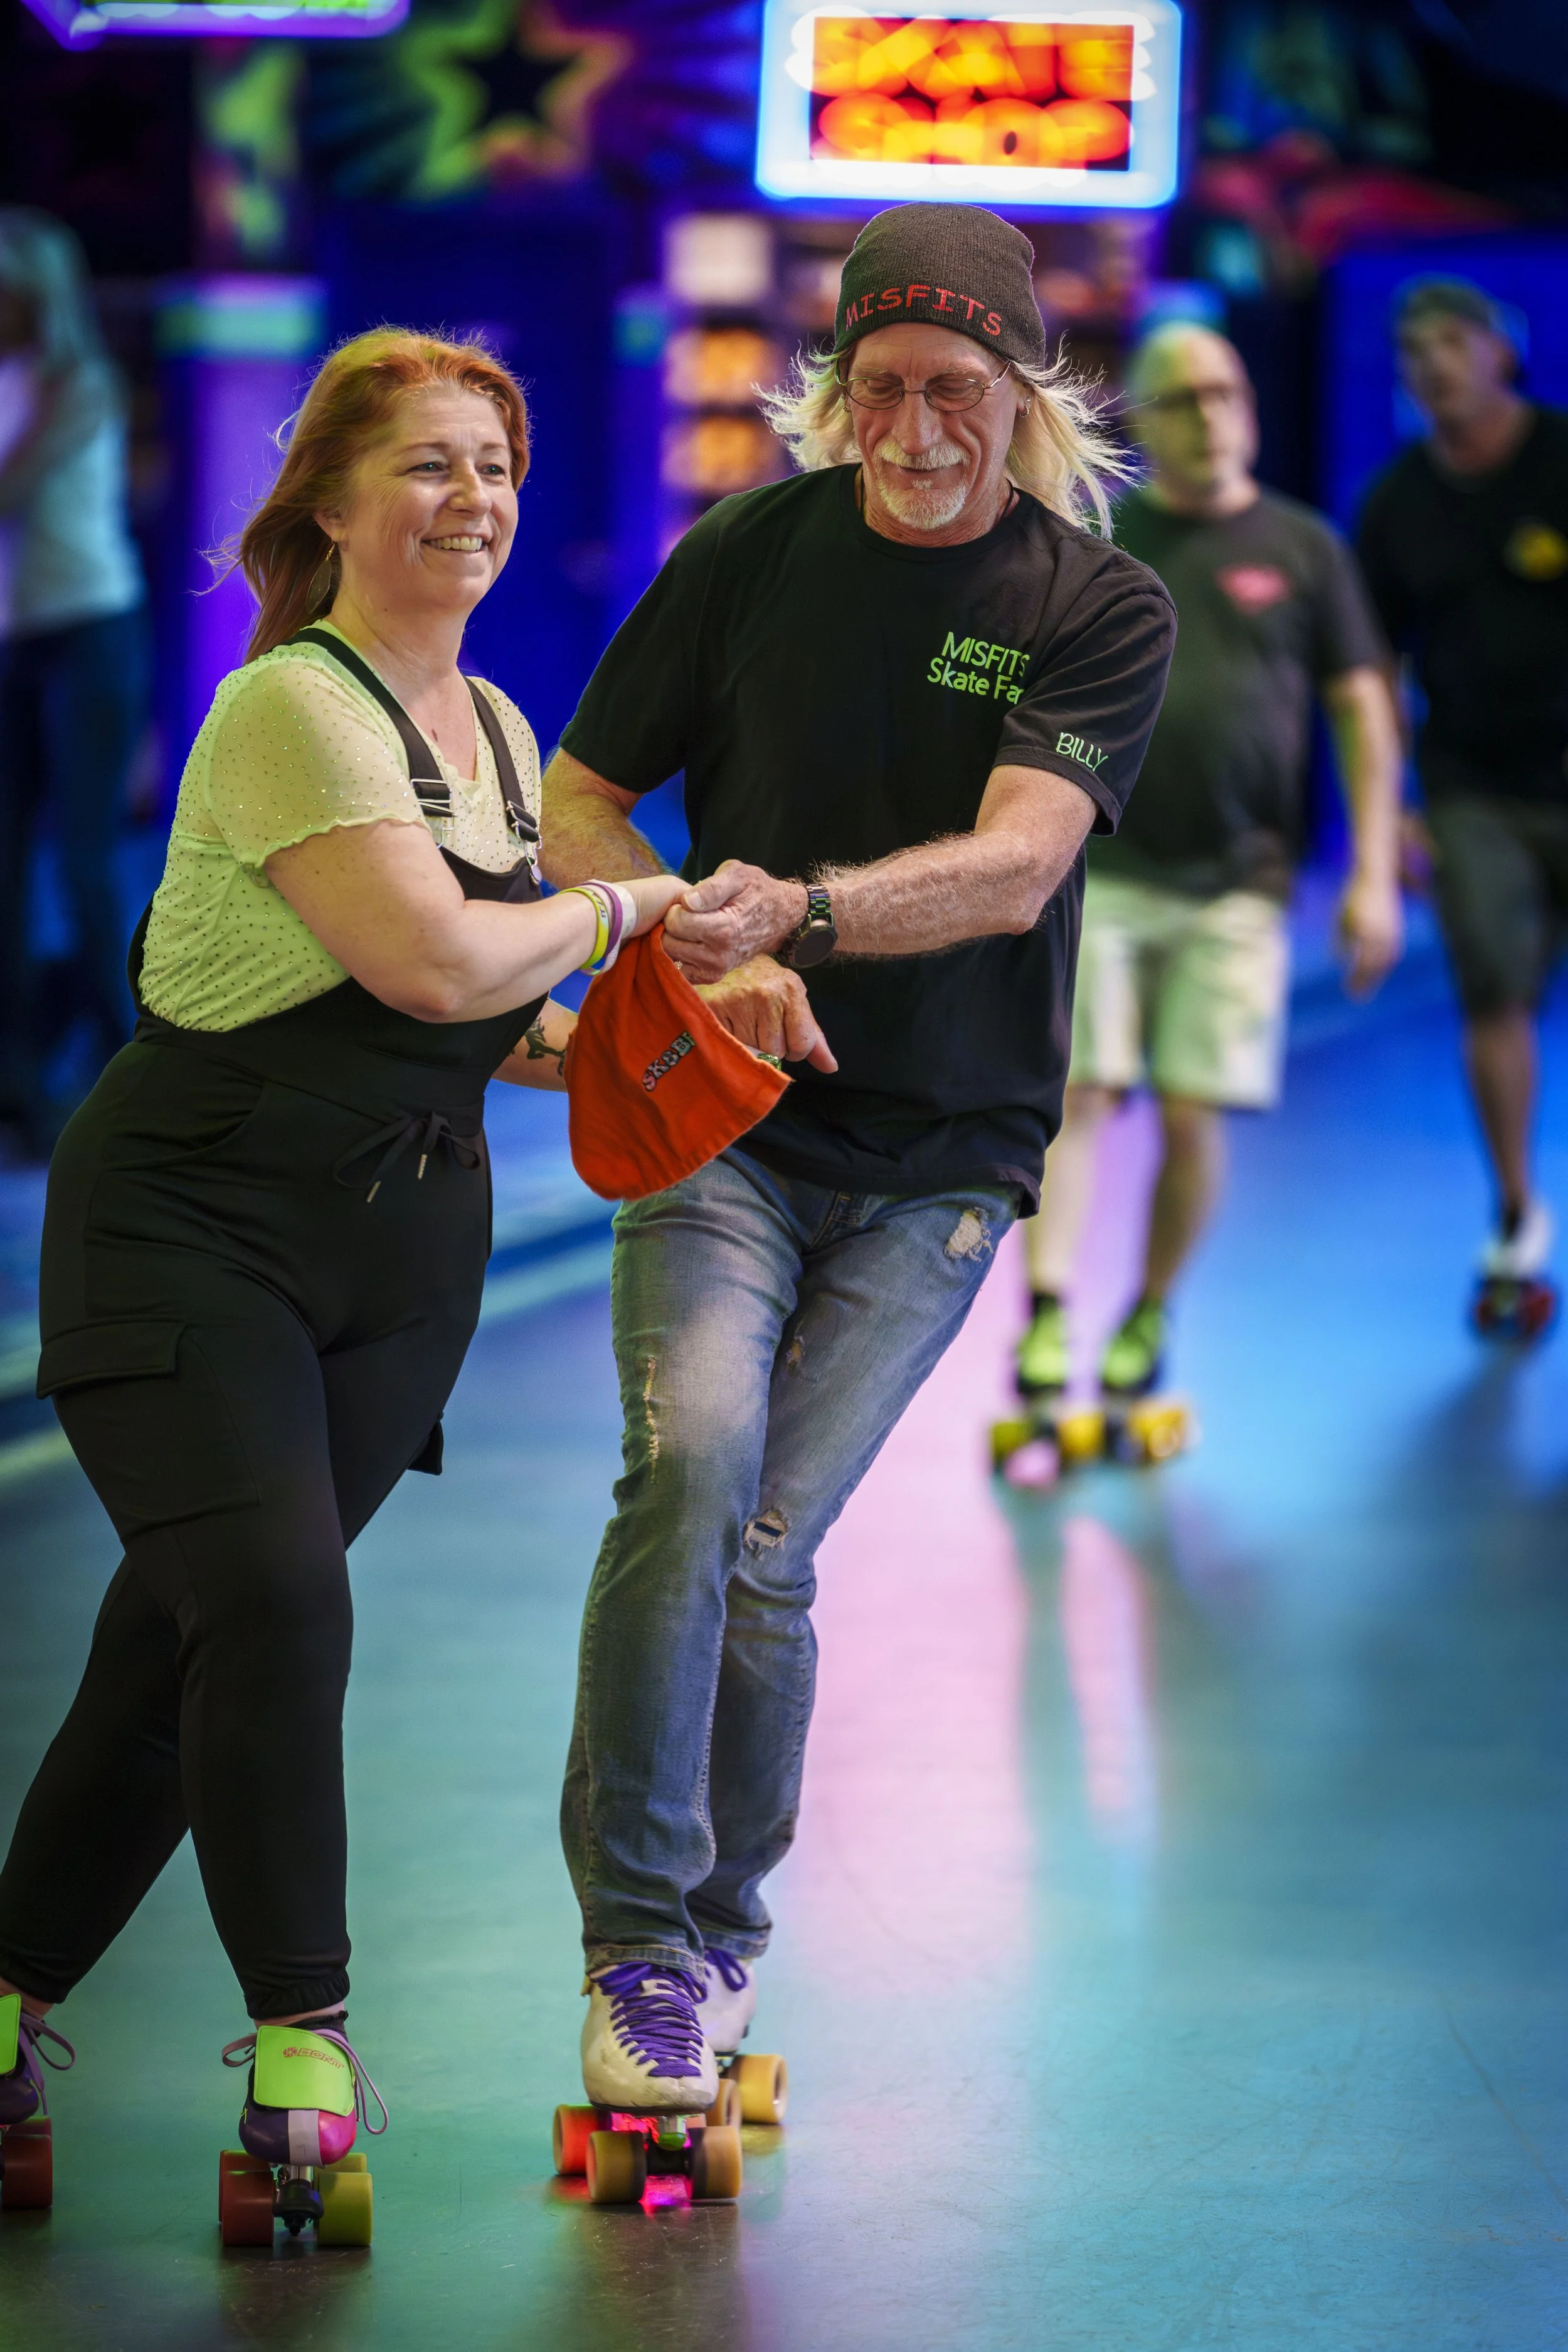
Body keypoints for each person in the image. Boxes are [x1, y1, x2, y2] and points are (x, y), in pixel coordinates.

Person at [0, 329, 685, 2213]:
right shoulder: (287, 706)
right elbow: (435, 965)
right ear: (326, 501)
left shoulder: (491, 727)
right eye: (428, 466)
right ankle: (303, 2036)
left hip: (399, 1261)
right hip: (187, 1229)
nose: (472, 499)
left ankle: (0, 2006)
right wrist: (638, 904)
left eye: (495, 463)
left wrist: (663, 1036)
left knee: (177, 1640)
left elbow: (494, 1024)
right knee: (281, 1607)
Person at [542, 203, 1176, 2112]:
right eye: (879, 388)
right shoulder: (747, 549)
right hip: (721, 1124)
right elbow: (582, 793)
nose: (915, 430)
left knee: (764, 1544)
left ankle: (723, 1924)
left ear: (1022, 396)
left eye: (955, 391)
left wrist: (789, 923)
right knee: (692, 1474)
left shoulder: (1094, 600)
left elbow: (1016, 863)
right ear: (829, 395)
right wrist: (675, 953)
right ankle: (641, 1954)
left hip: (943, 1157)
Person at [1015, 322, 1404, 1402]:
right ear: (1147, 419)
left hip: (1240, 883)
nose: (1214, 414)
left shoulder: (1304, 548)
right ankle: (1046, 1318)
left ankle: (1147, 1312)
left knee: (1194, 1110)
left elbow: (1363, 707)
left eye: (1227, 390)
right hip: (1103, 873)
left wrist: (1372, 868)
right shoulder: (1103, 541)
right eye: (1184, 398)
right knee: (1079, 1093)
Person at [1357, 276, 1568, 1329]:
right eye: (1412, 348)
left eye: (1450, 340)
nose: (1431, 362)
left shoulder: (1561, 461)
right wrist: (1391, 808)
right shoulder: (1397, 504)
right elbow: (1375, 670)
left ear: (1500, 352)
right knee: (1495, 991)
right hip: (1474, 790)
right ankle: (1519, 1214)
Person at [0, 209, 150, 1158]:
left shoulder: (79, 380)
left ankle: (129, 1070)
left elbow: (12, 483)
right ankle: (20, 1085)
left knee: (86, 861)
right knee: (8, 868)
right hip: (15, 639)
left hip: (90, 627)